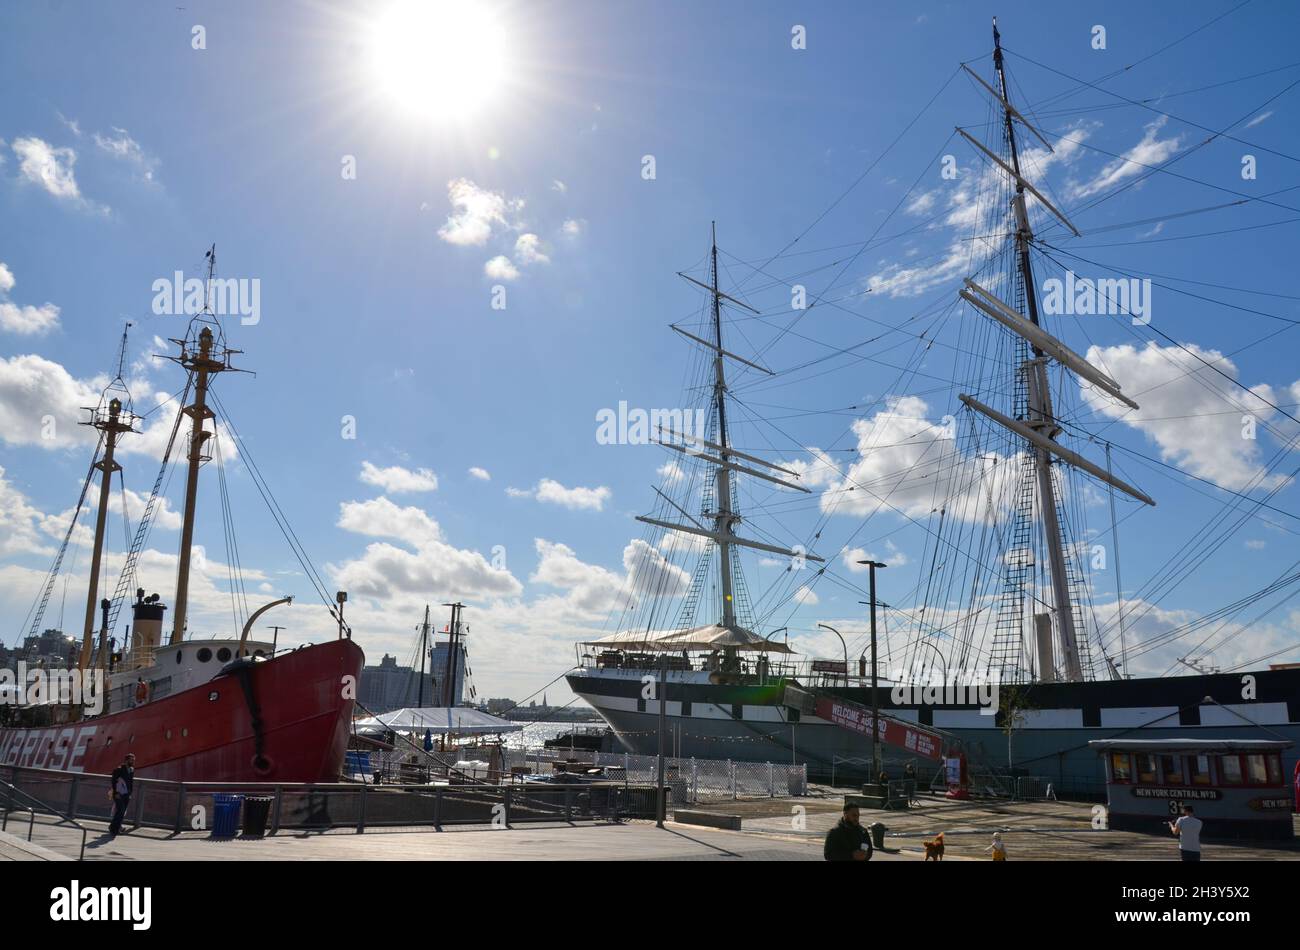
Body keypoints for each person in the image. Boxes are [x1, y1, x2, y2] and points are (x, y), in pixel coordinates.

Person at [108, 753, 135, 838]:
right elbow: (113, 782)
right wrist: (115, 793)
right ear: (126, 760)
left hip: (126, 794)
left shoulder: (131, 769)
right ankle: (115, 829)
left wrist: (130, 793)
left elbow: (130, 782)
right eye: (131, 760)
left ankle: (113, 827)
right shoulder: (118, 769)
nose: (133, 761)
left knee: (121, 812)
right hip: (119, 794)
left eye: (134, 760)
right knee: (120, 810)